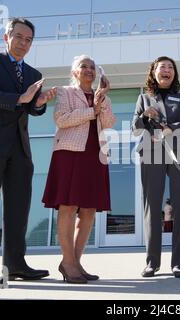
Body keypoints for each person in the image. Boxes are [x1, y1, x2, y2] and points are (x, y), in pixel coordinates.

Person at [0, 18, 56, 289]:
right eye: (19, 37)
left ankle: (15, 264)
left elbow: (31, 108)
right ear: (7, 37)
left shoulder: (32, 74)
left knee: (18, 209)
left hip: (19, 147)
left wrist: (39, 103)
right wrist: (21, 98)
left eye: (29, 39)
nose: (23, 43)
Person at [42, 55, 116, 283]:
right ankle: (68, 262)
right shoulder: (66, 92)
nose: (89, 70)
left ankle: (74, 263)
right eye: (83, 66)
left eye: (92, 67)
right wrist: (91, 111)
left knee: (89, 209)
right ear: (74, 72)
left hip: (96, 155)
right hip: (70, 154)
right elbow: (61, 119)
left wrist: (101, 101)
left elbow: (110, 122)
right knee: (68, 205)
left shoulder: (101, 96)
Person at [132, 56, 180, 278]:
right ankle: (152, 262)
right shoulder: (143, 98)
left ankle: (179, 263)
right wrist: (144, 116)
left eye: (170, 67)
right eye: (162, 67)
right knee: (152, 207)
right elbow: (135, 127)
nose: (166, 70)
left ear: (174, 73)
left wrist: (172, 128)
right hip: (151, 152)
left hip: (179, 152)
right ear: (154, 72)